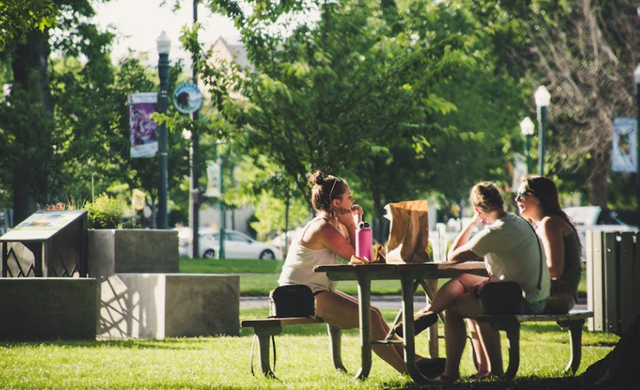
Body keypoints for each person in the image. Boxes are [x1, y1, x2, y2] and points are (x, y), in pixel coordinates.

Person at [394, 182, 550, 381]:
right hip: (529, 293)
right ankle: (429, 312)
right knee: (464, 280)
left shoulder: (495, 232)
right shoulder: (518, 221)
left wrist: (472, 223)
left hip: (524, 301)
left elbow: (453, 255)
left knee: (453, 310)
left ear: (478, 209)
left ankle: (451, 373)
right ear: (501, 201)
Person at [277, 171, 410, 374]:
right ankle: (408, 371)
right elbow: (360, 259)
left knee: (374, 313)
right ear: (337, 203)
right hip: (296, 296)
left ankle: (414, 362)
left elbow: (362, 254)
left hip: (313, 291)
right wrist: (351, 223)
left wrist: (354, 224)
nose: (353, 199)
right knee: (370, 318)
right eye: (349, 196)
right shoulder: (323, 228)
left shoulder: (335, 226)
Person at [516, 175, 582, 313]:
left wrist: (519, 275)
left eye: (522, 194)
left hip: (560, 296)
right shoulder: (540, 225)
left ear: (539, 198)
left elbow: (555, 270)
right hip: (549, 293)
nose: (517, 199)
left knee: (494, 302)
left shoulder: (550, 223)